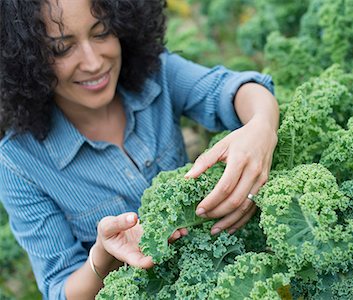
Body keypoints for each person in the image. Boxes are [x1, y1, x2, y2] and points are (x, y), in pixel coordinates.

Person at [0, 0, 279, 298]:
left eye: (102, 31)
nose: (94, 62)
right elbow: (59, 289)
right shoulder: (17, 162)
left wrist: (261, 126)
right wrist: (103, 256)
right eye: (61, 49)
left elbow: (233, 89)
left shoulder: (155, 74)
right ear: (24, 59)